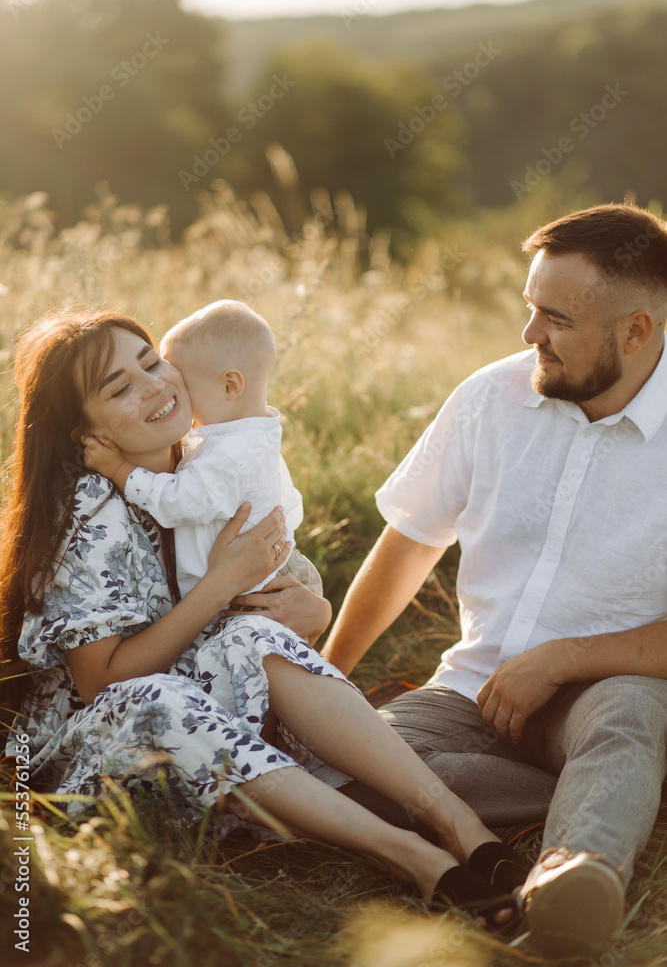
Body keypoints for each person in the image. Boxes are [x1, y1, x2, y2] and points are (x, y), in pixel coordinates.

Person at [0, 309, 532, 934]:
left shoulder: (207, 459)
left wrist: (313, 608)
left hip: (195, 715)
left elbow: (276, 583)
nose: (155, 386)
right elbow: (102, 685)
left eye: (151, 362)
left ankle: (456, 822)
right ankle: (410, 856)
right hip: (88, 760)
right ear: (81, 429)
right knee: (158, 694)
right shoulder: (84, 509)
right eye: (120, 388)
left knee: (253, 636)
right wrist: (220, 586)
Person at [321, 203, 667, 957]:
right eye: (528, 308)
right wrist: (330, 682)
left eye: (555, 318)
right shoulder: (491, 397)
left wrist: (563, 660)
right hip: (469, 691)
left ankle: (574, 874)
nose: (528, 335)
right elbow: (406, 547)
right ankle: (621, 796)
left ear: (635, 330)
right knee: (347, 762)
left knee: (627, 720)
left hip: (609, 687)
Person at [82, 299, 321, 609]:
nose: (163, 388)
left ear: (230, 385)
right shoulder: (253, 436)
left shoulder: (228, 456)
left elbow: (176, 502)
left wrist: (117, 468)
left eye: (169, 371)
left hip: (255, 594)